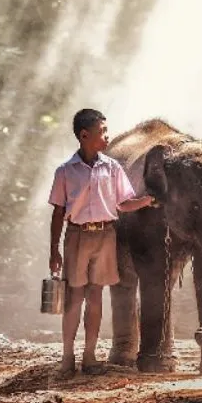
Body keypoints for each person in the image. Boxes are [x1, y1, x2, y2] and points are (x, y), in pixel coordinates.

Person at [48, 108, 154, 377]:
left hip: (106, 235)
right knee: (74, 299)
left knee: (95, 298)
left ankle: (90, 356)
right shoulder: (65, 171)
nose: (107, 137)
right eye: (102, 132)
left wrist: (146, 201)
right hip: (76, 236)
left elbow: (122, 203)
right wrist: (54, 251)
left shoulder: (112, 167)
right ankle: (68, 356)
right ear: (85, 135)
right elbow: (58, 212)